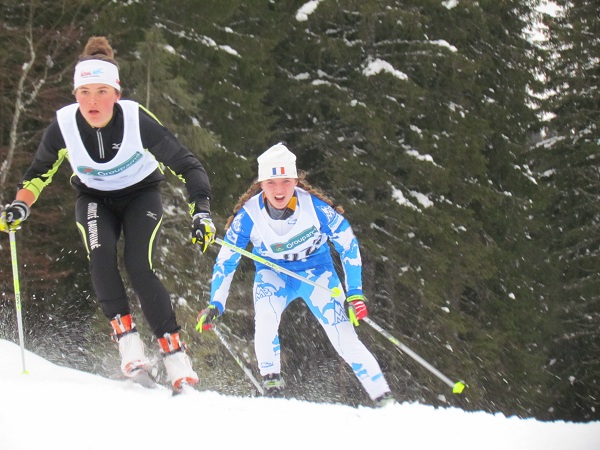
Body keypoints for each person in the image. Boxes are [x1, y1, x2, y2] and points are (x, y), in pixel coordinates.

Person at [0, 36, 216, 392]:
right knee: (100, 257)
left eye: (102, 91)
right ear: (75, 94)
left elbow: (189, 166)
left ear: (117, 93)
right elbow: (38, 173)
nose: (93, 101)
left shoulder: (136, 120)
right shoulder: (63, 126)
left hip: (140, 196)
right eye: (84, 92)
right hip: (95, 200)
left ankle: (175, 355)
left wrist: (201, 212)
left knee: (138, 264)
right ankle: (128, 344)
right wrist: (21, 204)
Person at [196, 142, 396, 407]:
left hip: (317, 274)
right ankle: (272, 386)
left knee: (344, 337)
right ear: (261, 184)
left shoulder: (315, 208)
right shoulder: (249, 215)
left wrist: (355, 293)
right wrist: (216, 303)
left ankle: (384, 398)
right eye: (271, 182)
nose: (279, 190)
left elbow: (348, 245)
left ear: (295, 181)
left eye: (286, 181)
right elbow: (226, 260)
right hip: (274, 275)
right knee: (266, 319)